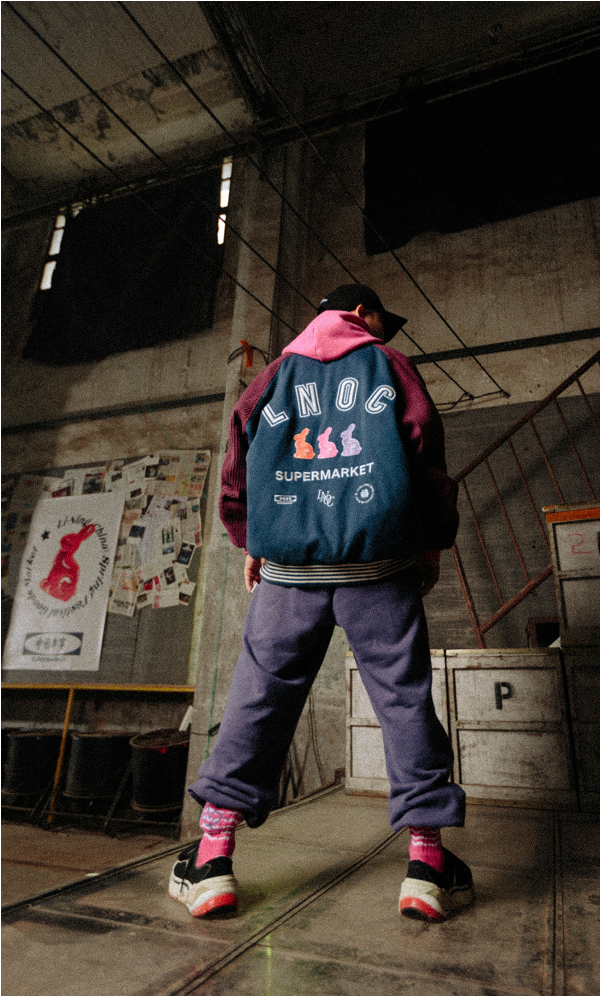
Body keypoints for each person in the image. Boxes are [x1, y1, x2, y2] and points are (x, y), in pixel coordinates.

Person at [169, 284, 474, 922]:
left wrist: (251, 540)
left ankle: (212, 859)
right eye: (380, 321)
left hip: (289, 572)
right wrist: (430, 543)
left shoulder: (271, 379)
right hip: (378, 565)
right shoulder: (390, 367)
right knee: (404, 697)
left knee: (259, 696)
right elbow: (425, 451)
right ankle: (426, 866)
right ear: (360, 313)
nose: (382, 333)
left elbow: (236, 467)